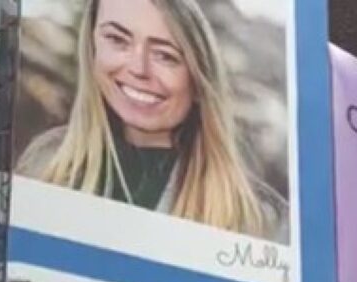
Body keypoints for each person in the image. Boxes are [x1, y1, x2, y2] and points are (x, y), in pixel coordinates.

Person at [16, 0, 289, 243]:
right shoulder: (44, 164)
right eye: (117, 40)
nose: (139, 69)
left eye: (165, 55)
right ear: (91, 47)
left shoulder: (259, 218)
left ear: (198, 80)